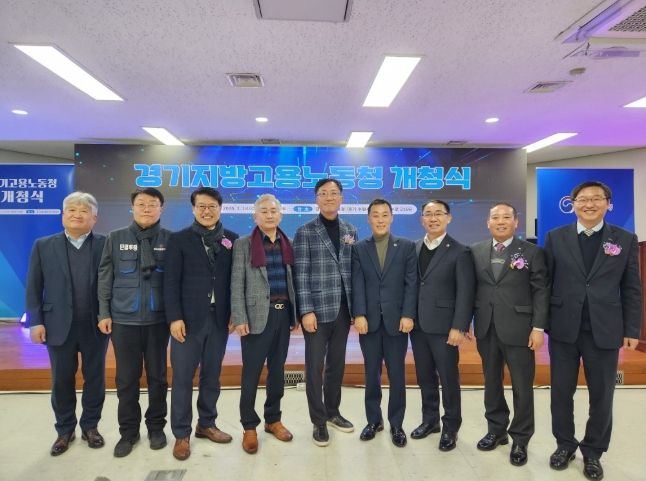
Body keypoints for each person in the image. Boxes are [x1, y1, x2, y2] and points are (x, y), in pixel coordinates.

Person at [545, 181, 642, 481]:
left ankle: (593, 451)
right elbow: (545, 283)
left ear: (608, 203)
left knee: (602, 394)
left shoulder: (624, 239)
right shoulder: (555, 237)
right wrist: (540, 323)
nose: (589, 204)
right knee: (561, 392)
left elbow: (632, 287)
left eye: (596, 198)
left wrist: (632, 328)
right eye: (583, 199)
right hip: (563, 327)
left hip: (605, 328)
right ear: (573, 204)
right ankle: (564, 445)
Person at [25, 191, 109, 456]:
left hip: (95, 325)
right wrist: (35, 322)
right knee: (61, 379)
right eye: (72, 210)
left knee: (95, 378)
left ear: (94, 218)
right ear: (63, 215)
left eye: (84, 211)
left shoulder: (105, 244)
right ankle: (64, 430)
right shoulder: (43, 245)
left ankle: (90, 427)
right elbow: (34, 286)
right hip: (57, 324)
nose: (77, 215)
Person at [471, 203, 549, 466]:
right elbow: (470, 288)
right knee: (491, 382)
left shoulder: (532, 252)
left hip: (520, 329)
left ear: (516, 222)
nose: (501, 221)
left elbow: (541, 291)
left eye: (506, 217)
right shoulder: (476, 251)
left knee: (522, 386)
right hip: (486, 327)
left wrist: (538, 328)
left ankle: (521, 438)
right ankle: (496, 430)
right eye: (495, 217)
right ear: (488, 222)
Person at [163, 187, 238, 460]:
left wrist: (234, 313)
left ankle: (206, 424)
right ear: (194, 209)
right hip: (188, 321)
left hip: (219, 320)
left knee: (212, 376)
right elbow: (170, 282)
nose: (207, 211)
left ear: (220, 208)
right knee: (183, 378)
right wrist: (174, 318)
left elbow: (235, 281)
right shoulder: (179, 239)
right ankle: (181, 433)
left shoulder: (232, 240)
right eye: (202, 206)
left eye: (212, 207)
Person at [97, 187, 171, 458]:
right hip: (123, 320)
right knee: (126, 380)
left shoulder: (170, 239)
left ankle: (156, 428)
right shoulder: (115, 238)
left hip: (158, 321)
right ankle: (128, 433)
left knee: (158, 378)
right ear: (133, 207)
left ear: (161, 208)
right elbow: (105, 277)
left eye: (152, 204)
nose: (146, 208)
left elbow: (176, 281)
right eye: (141, 204)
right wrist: (104, 313)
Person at [231, 194, 298, 454]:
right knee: (251, 373)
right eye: (264, 211)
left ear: (280, 215)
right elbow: (237, 283)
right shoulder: (243, 244)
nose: (269, 215)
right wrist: (239, 317)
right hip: (256, 317)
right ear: (255, 216)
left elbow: (293, 281)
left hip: (283, 314)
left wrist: (296, 314)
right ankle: (249, 426)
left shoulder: (288, 243)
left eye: (273, 211)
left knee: (277, 372)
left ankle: (273, 419)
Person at [293, 178, 358, 446]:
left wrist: (357, 309)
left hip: (343, 310)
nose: (329, 197)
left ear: (341, 197)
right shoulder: (305, 231)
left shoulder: (350, 230)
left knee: (336, 365)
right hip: (317, 312)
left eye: (334, 193)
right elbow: (300, 274)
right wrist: (306, 310)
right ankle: (318, 421)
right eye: (323, 193)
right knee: (314, 367)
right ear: (316, 199)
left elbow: (353, 271)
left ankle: (333, 412)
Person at [409, 199, 475, 451]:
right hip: (418, 326)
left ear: (449, 218)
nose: (433, 218)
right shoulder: (414, 247)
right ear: (421, 219)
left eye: (438, 213)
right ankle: (430, 421)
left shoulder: (460, 251)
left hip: (446, 328)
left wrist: (459, 326)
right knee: (424, 376)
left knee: (448, 379)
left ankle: (451, 427)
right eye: (428, 214)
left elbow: (465, 292)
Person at [351, 198, 417, 447]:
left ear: (392, 217)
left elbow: (411, 283)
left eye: (384, 214)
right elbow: (357, 283)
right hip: (368, 322)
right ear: (369, 219)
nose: (380, 219)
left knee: (397, 374)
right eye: (375, 215)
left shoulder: (406, 246)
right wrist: (359, 314)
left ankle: (396, 424)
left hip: (396, 322)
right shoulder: (359, 248)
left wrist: (408, 314)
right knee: (371, 374)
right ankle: (373, 420)